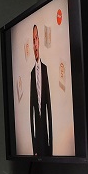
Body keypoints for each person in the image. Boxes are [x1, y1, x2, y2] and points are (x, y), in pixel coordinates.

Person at [28, 24, 53, 156]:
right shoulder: (32, 73)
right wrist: (34, 148)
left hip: (48, 140)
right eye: (33, 40)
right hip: (38, 144)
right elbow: (31, 111)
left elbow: (49, 109)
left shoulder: (46, 69)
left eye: (37, 39)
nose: (35, 44)